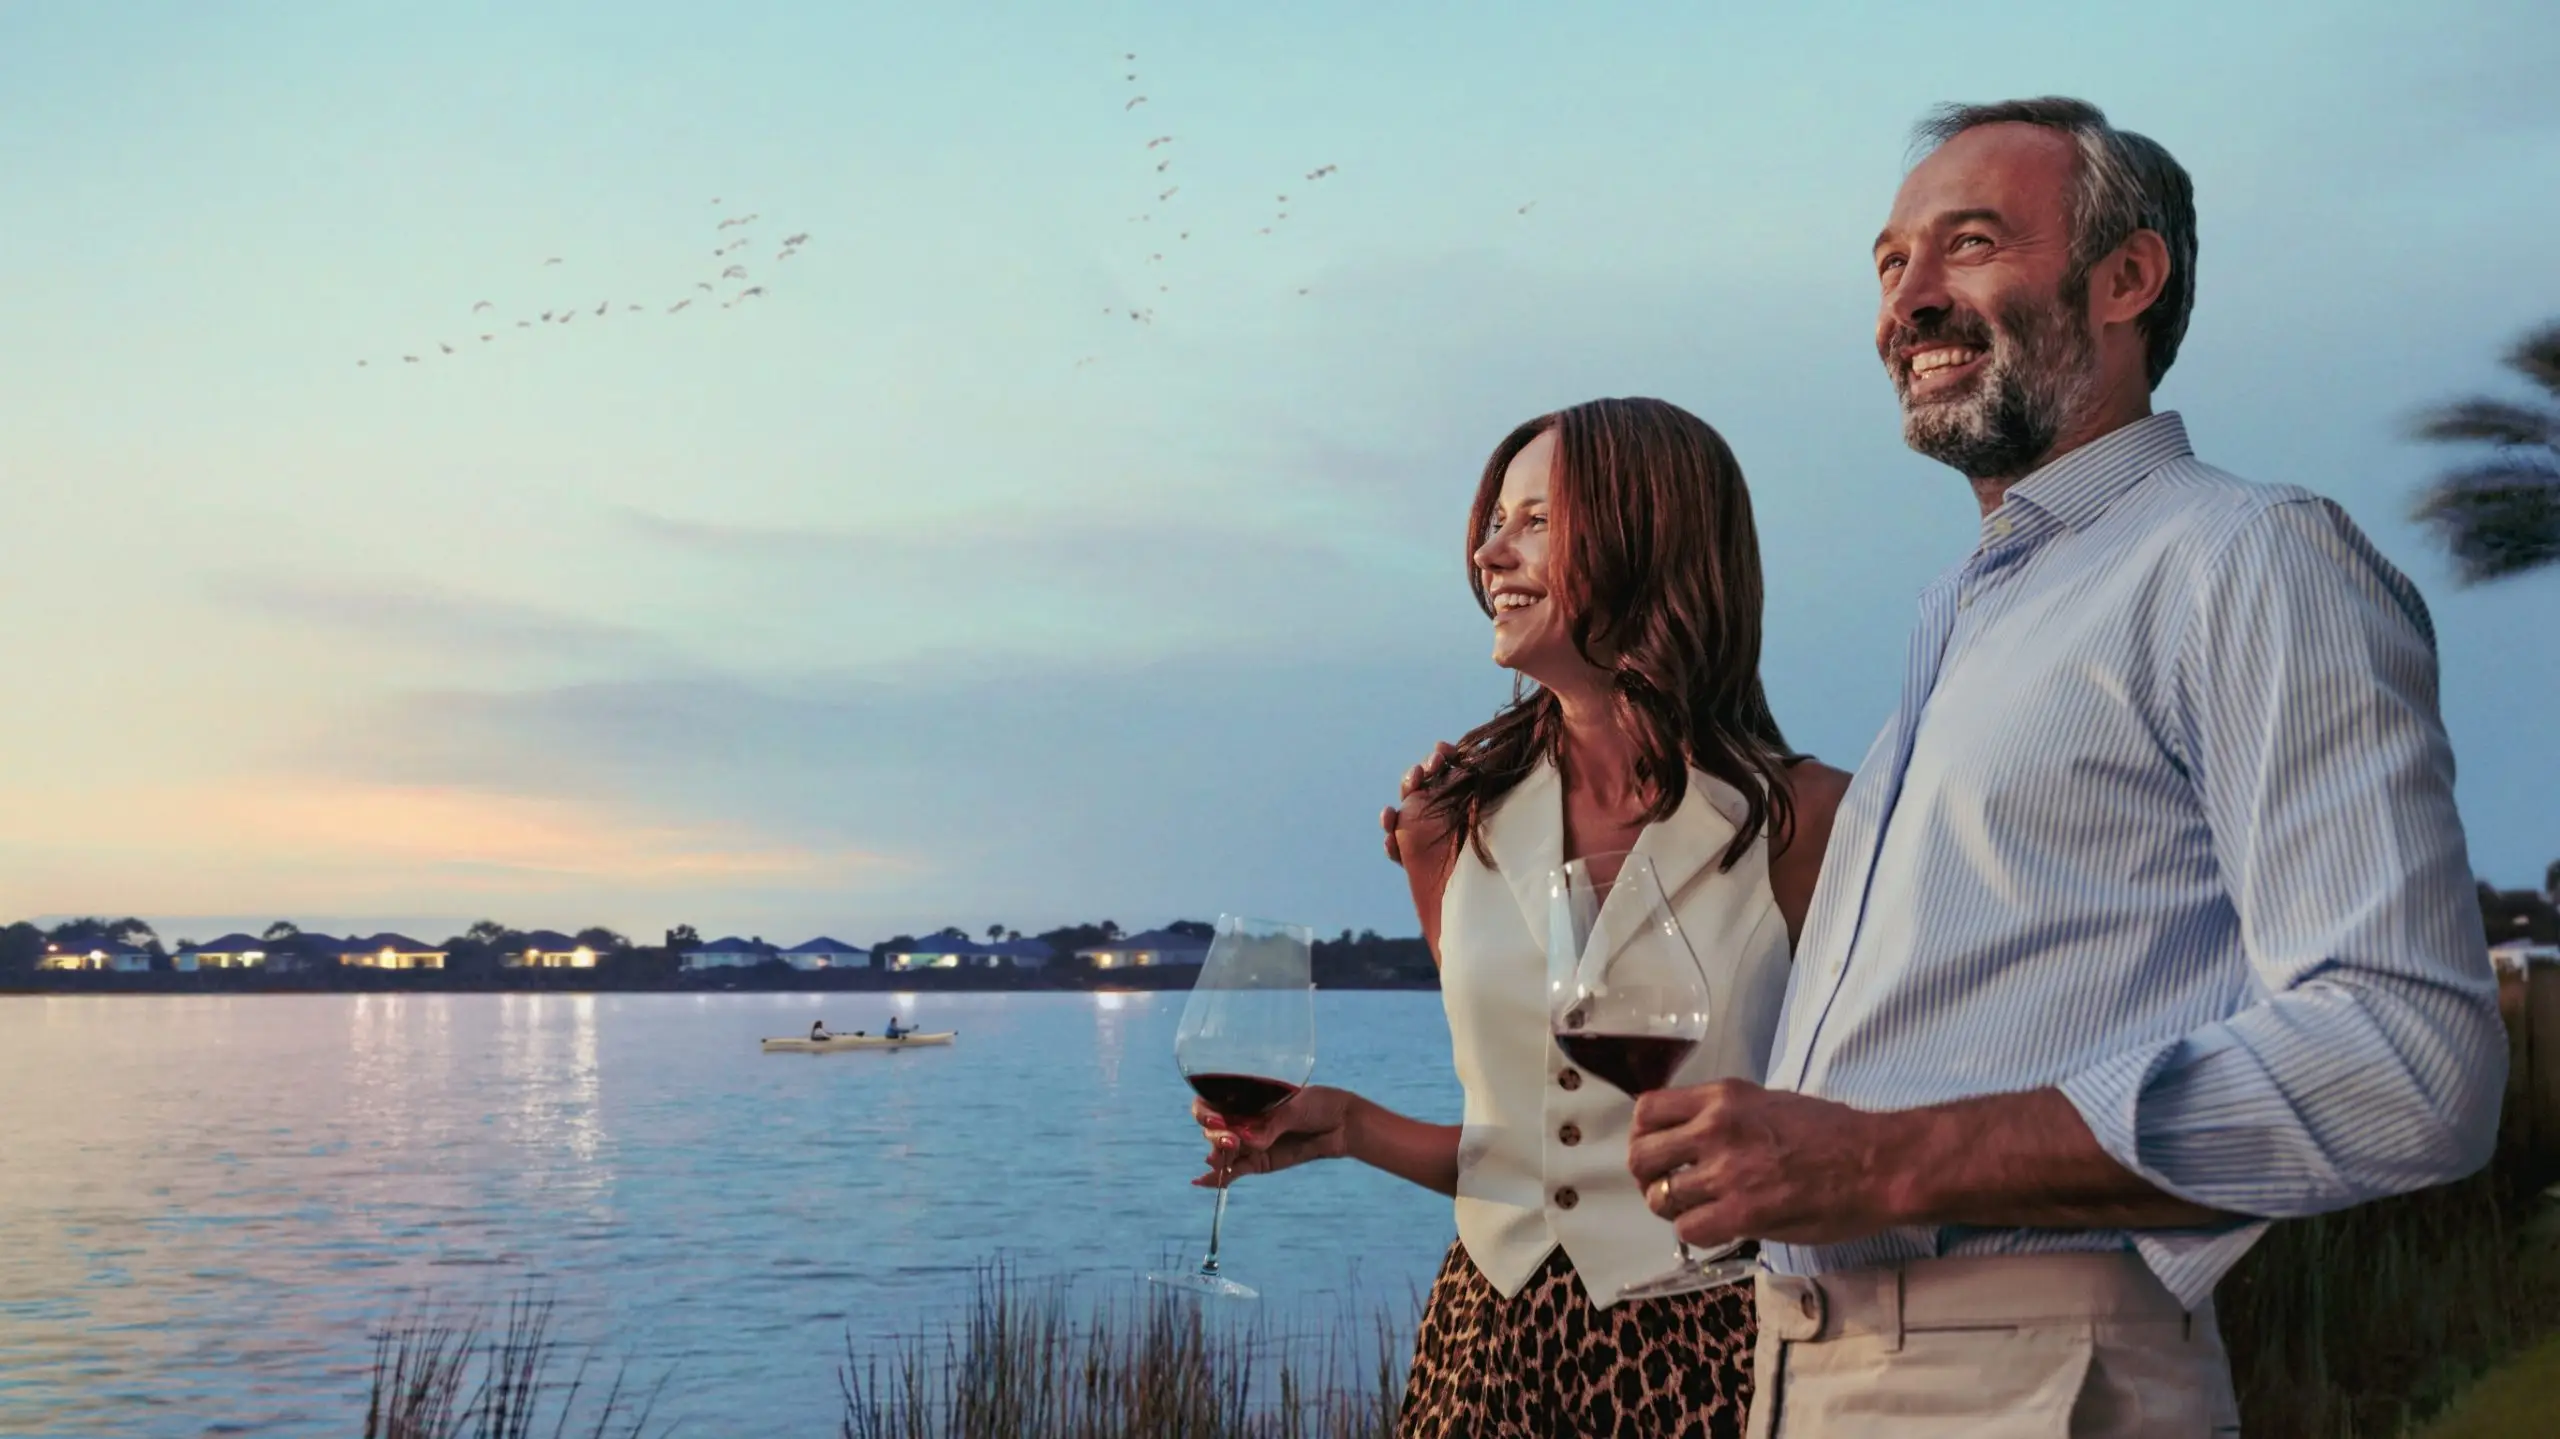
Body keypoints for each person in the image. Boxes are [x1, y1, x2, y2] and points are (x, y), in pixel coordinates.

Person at [1613, 98, 2507, 1437]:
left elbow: (2411, 1058)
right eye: (1889, 263)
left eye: (1968, 244)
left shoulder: (2245, 557)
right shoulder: (1967, 611)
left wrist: (1881, 1159)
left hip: (2026, 1377)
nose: (1909, 300)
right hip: (1819, 1375)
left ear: (2125, 279)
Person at [1193, 397, 1849, 1439]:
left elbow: (1854, 1133)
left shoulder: (1809, 822)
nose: (1488, 552)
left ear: (1655, 534)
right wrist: (1354, 1126)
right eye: (1494, 520)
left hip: (1721, 1353)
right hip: (1481, 1352)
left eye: (1536, 520)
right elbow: (1527, 1150)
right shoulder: (1440, 823)